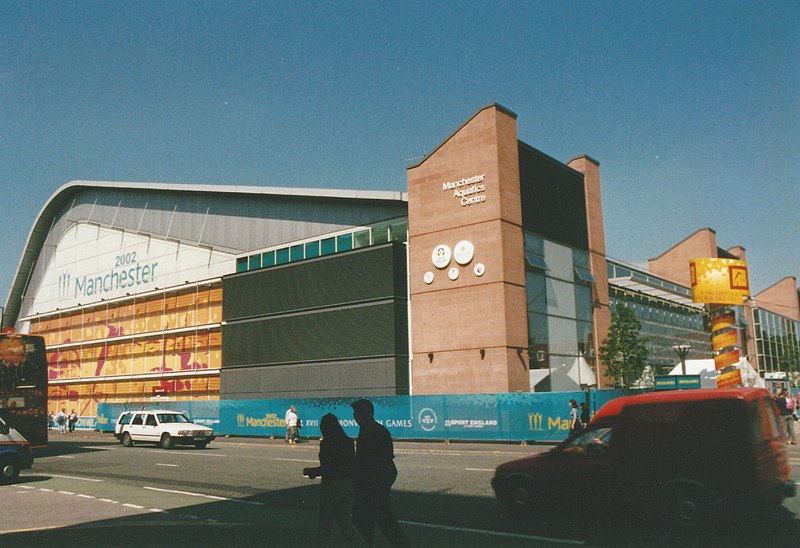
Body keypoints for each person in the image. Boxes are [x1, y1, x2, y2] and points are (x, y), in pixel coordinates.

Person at [350, 399, 410, 547]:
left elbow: (365, 461)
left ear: (363, 414)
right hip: (379, 482)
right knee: (384, 521)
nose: (354, 417)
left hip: (369, 484)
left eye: (356, 414)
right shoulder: (379, 430)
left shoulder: (368, 431)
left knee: (368, 523)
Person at [303, 414, 366, 547]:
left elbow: (328, 468)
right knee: (345, 523)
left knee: (324, 523)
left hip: (331, 486)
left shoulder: (327, 443)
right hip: (347, 484)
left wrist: (312, 471)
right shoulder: (348, 442)